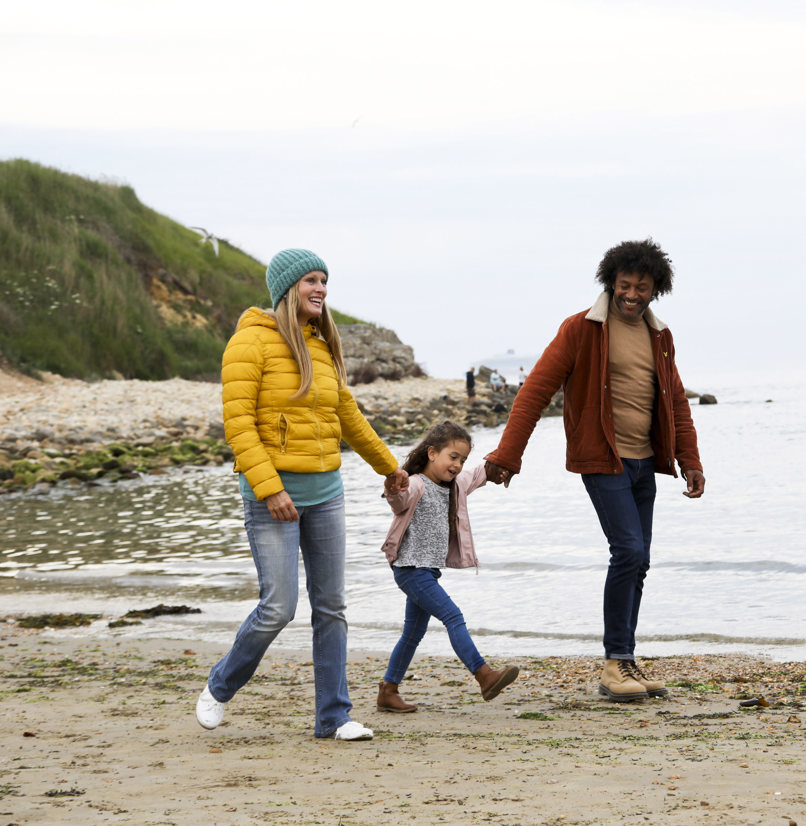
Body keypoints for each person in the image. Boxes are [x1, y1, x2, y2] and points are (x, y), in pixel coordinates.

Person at [195, 248, 408, 741]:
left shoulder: (320, 343)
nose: (321, 289)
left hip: (327, 492)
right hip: (273, 497)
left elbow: (347, 414)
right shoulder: (249, 344)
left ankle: (333, 716)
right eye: (311, 280)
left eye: (324, 281)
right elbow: (239, 426)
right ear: (288, 288)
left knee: (331, 607)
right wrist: (270, 490)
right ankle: (221, 684)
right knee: (279, 607)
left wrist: (389, 467)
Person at [485, 239, 705, 702]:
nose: (632, 294)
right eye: (624, 285)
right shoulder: (581, 329)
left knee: (639, 558)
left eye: (641, 287)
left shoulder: (659, 336)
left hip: (646, 463)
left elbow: (676, 403)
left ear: (654, 289)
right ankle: (612, 665)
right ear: (611, 283)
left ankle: (624, 660)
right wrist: (508, 454)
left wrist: (691, 460)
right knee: (627, 549)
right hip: (603, 459)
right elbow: (534, 392)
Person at [376, 421, 520, 713]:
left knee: (412, 634)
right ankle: (483, 675)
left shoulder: (456, 486)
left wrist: (503, 462)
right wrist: (393, 486)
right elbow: (398, 500)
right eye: (453, 457)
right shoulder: (416, 483)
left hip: (427, 571)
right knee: (453, 616)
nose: (457, 465)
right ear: (431, 453)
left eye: (462, 459)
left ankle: (388, 691)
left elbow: (481, 472)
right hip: (410, 569)